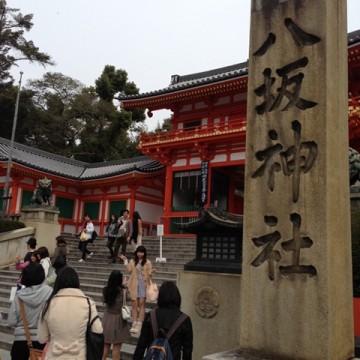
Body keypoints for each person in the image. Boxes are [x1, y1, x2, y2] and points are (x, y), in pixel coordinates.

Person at [38, 267, 103, 359]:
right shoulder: (88, 303)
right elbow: (98, 330)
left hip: (54, 355)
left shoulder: (48, 304)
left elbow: (42, 338)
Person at [133, 282, 193, 360]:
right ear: (177, 297)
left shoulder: (151, 315)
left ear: (160, 297)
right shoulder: (184, 320)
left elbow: (141, 345)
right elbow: (187, 351)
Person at [8, 262, 52, 360]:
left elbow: (11, 322)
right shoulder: (50, 293)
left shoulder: (19, 296)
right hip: (43, 342)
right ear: (42, 275)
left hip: (20, 343)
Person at [119, 246, 153, 334]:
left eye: (142, 252)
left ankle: (139, 323)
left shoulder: (148, 262)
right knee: (134, 305)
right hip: (134, 285)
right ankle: (134, 323)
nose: (140, 254)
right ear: (136, 252)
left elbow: (149, 273)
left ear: (144, 253)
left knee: (141, 305)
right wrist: (125, 261)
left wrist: (152, 272)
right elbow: (129, 270)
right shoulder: (132, 261)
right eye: (138, 252)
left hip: (143, 285)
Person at [101, 270, 130, 360]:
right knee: (116, 349)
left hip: (107, 319)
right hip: (118, 320)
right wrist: (125, 286)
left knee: (105, 347)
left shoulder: (105, 290)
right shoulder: (123, 292)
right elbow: (130, 298)